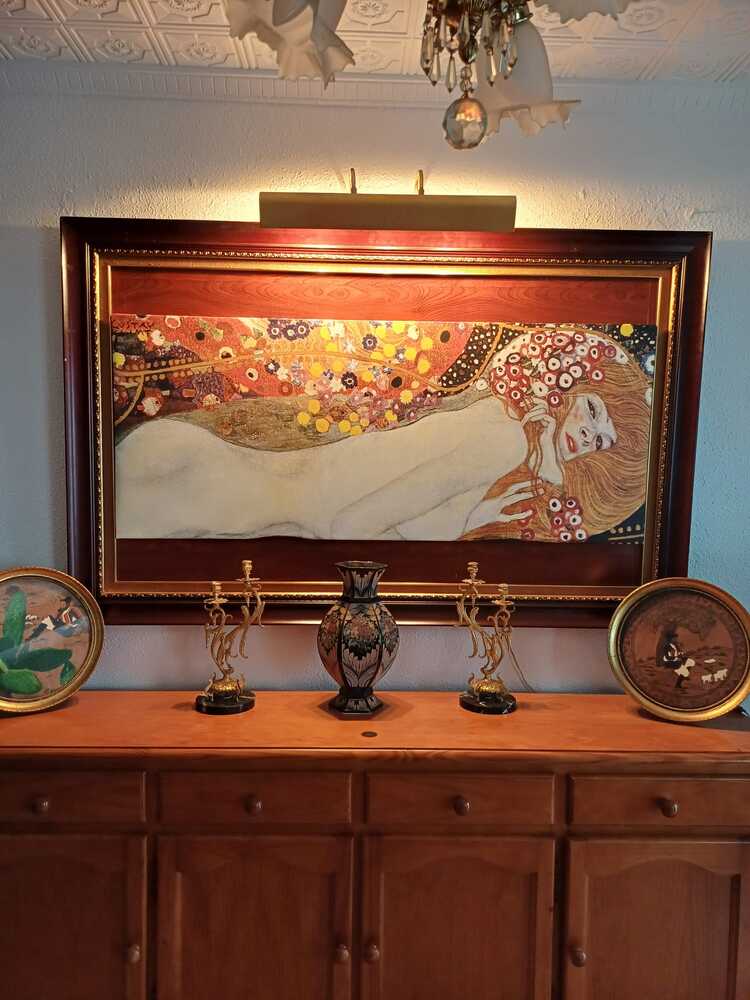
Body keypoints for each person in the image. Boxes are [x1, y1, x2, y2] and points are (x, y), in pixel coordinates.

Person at [115, 326, 651, 542]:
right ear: (567, 383)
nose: (590, 436)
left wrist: (473, 518)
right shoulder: (502, 441)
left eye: (602, 442)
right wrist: (466, 524)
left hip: (215, 481)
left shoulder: (496, 423)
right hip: (216, 497)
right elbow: (350, 526)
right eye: (594, 411)